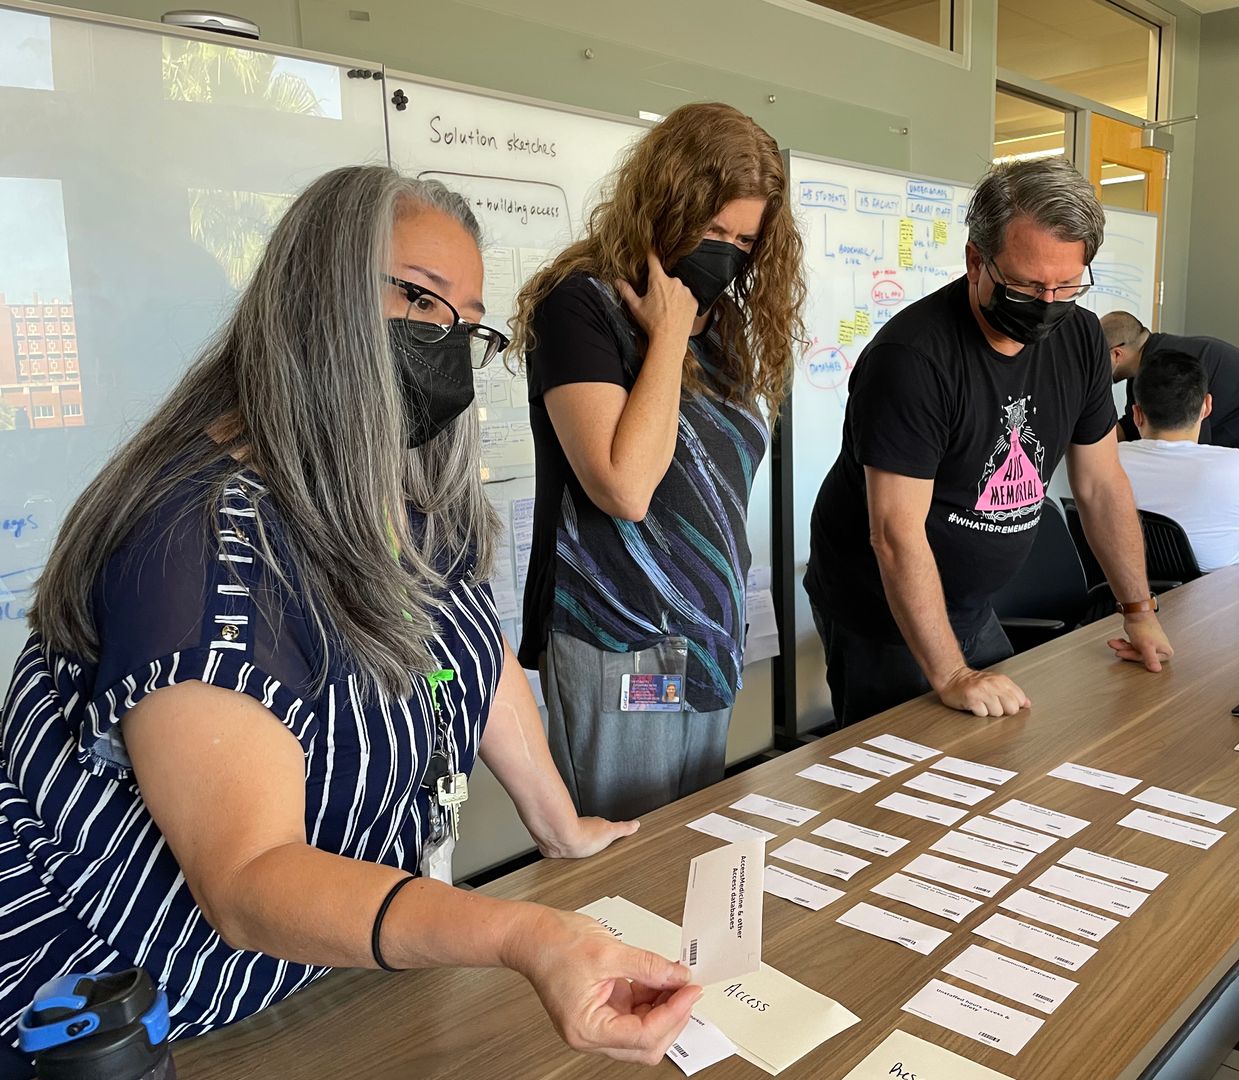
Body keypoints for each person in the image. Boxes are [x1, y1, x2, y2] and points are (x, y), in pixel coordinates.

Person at [0, 166, 701, 1075]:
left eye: (469, 322)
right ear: (316, 298)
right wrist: (522, 935)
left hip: (319, 981)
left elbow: (469, 647)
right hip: (131, 1022)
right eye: (418, 297)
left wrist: (558, 822)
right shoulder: (195, 538)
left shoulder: (394, 485)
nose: (443, 343)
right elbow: (251, 877)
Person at [805, 157, 1173, 728]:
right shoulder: (914, 361)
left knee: (1000, 747)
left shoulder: (1078, 338)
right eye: (1027, 284)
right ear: (977, 259)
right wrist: (952, 675)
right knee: (901, 782)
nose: (1049, 302)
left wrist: (1138, 609)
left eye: (1067, 284)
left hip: (973, 606)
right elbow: (896, 534)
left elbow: (1101, 484)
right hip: (883, 608)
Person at [512, 103, 804, 820]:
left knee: (687, 842)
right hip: (619, 633)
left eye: (743, 239)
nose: (727, 255)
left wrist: (691, 324)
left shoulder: (728, 325)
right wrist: (668, 335)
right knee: (624, 854)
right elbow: (624, 486)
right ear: (665, 203)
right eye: (712, 232)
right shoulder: (578, 305)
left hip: (707, 627)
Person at [1101, 311, 1239, 553]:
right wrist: (1084, 432)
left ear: (1116, 354)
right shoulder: (1150, 367)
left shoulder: (1179, 367)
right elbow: (1133, 428)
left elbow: (1188, 454)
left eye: (1097, 360)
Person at [1118, 349, 1239, 572]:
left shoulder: (1109, 462)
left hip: (1119, 598)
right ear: (1207, 406)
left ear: (1136, 414)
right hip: (1215, 600)